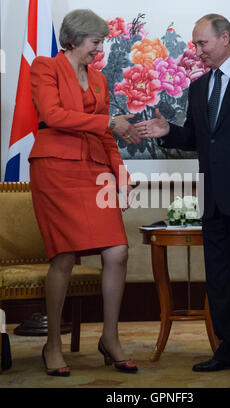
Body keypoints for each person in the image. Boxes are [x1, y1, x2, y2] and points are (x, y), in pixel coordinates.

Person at [135, 14, 230, 381]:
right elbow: (195, 137)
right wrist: (167, 131)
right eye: (195, 43)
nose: (198, 50)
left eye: (202, 43)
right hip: (214, 200)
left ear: (224, 38)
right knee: (221, 280)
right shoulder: (199, 87)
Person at [29, 9, 139, 376]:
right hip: (56, 169)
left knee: (118, 251)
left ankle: (110, 337)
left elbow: (106, 135)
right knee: (63, 257)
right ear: (75, 39)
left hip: (94, 172)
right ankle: (53, 344)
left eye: (102, 42)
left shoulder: (99, 80)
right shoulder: (45, 67)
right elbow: (53, 114)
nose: (100, 50)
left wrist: (120, 175)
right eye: (96, 42)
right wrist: (107, 121)